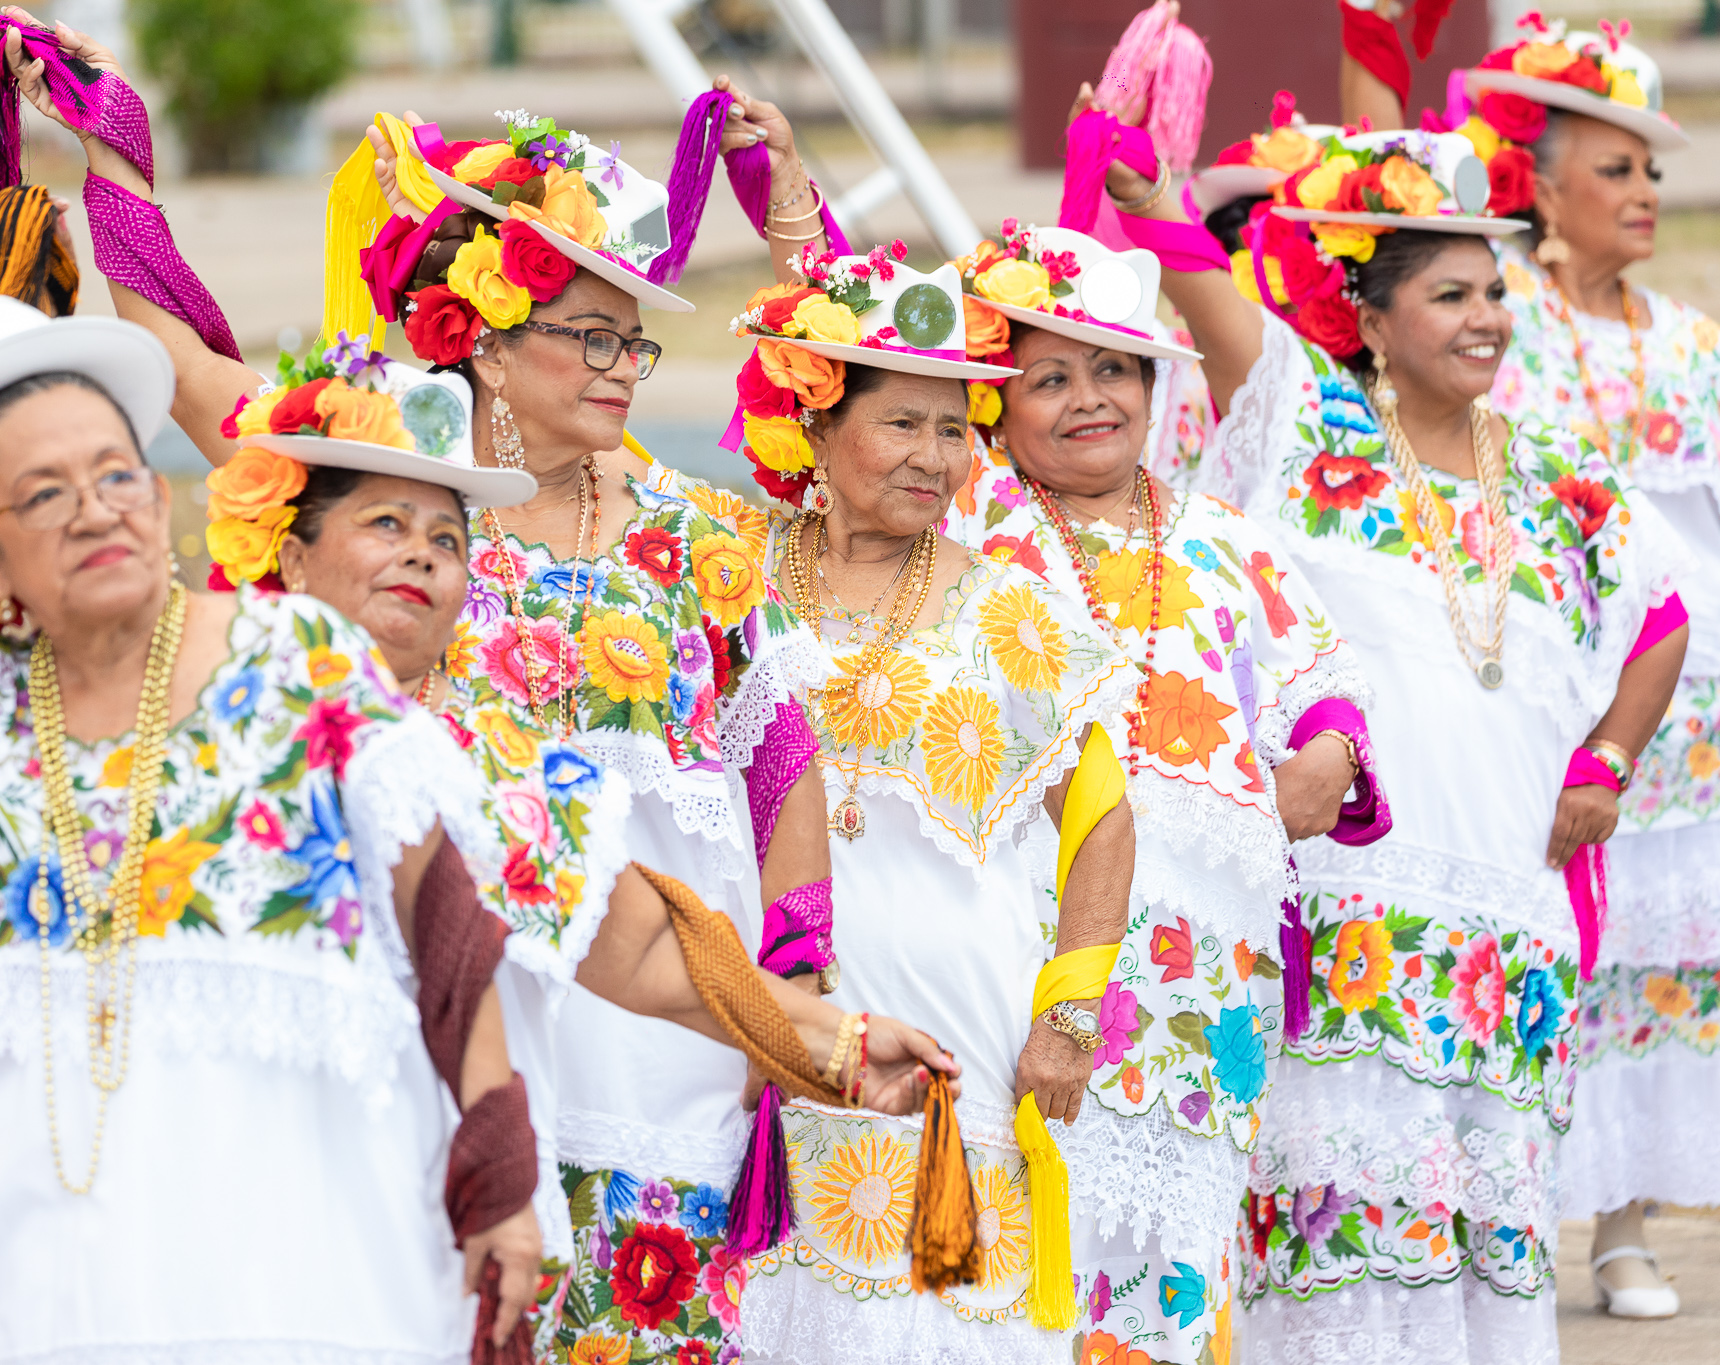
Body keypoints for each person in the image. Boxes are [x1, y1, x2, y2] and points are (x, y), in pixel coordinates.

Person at [0, 18, 840, 1361]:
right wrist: (115, 152)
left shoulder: (700, 537)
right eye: (591, 337)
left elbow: (782, 761)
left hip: (663, 1033)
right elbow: (191, 372)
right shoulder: (386, 501)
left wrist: (788, 999)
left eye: (634, 346)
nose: (619, 369)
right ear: (487, 339)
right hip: (442, 1000)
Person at [0, 289, 546, 1364]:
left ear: (158, 495)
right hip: (53, 1312)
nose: (95, 510)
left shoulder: (293, 658)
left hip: (322, 1290)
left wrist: (500, 1174)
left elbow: (446, 920)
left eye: (116, 474)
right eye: (44, 493)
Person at [195, 337, 963, 1356]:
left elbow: (640, 946)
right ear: (292, 557)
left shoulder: (490, 765)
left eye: (447, 537)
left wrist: (835, 1043)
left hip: (437, 1197)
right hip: (254, 1183)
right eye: (386, 523)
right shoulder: (205, 737)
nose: (422, 554)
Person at [1081, 101, 1690, 1361]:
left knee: (1488, 1238)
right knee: (1336, 1234)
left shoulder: (1563, 482)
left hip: (1508, 925)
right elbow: (1204, 293)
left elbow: (1665, 615)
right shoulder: (1308, 431)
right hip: (1348, 914)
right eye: (1447, 295)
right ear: (1368, 319)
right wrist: (1147, 200)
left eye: (1493, 293)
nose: (1483, 318)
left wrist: (1605, 762)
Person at [941, 218, 1385, 1361]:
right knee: (1027, 1224)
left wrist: (1326, 754)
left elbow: (1321, 680)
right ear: (991, 402)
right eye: (1048, 378)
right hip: (1032, 946)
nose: (1089, 398)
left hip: (1203, 970)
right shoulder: (964, 531)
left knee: (1169, 1253)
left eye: (1113, 369)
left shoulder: (1226, 540)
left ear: (1151, 387)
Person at [720, 242, 1142, 1360]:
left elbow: (1102, 814)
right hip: (766, 1009)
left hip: (957, 1015)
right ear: (815, 422)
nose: (935, 456)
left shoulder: (1009, 610)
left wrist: (1069, 1013)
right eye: (901, 422)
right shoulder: (724, 576)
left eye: (954, 428)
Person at [1354, 15, 1711, 1316]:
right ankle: (1500, 1219)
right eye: (1614, 168)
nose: (1643, 193)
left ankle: (1624, 1231)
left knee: (1664, 979)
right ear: (1544, 188)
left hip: (1684, 715)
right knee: (1544, 959)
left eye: (1651, 171)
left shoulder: (1691, 338)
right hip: (1535, 672)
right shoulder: (1502, 322)